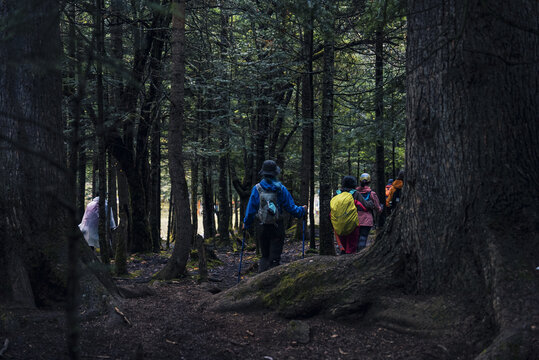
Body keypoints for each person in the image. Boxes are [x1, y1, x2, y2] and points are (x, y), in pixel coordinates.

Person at [243, 160, 306, 273]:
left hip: (261, 226)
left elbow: (251, 210)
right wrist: (302, 210)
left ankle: (261, 283)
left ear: (263, 173)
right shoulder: (281, 189)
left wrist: (246, 223)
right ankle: (273, 282)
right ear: (275, 173)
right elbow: (291, 208)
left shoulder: (256, 189)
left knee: (264, 256)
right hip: (278, 227)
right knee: (275, 258)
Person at [332, 176, 365, 254]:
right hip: (352, 224)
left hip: (338, 224)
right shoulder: (356, 193)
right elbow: (364, 206)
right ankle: (349, 259)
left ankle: (342, 255)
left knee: (342, 244)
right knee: (352, 245)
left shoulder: (336, 193)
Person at [356, 173, 382, 251]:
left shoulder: (355, 193)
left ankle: (355, 253)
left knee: (356, 237)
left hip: (354, 218)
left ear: (360, 181)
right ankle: (360, 253)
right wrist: (381, 209)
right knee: (363, 237)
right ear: (369, 182)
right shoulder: (372, 194)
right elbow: (378, 208)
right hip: (367, 219)